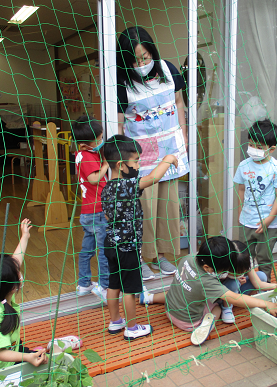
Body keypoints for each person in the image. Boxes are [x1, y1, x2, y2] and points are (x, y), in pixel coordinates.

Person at [116, 26, 190, 281]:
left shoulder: (168, 70)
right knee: (143, 208)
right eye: (136, 59)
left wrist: (184, 134)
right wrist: (121, 158)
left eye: (145, 56)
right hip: (141, 155)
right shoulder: (121, 81)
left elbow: (179, 103)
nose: (142, 62)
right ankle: (141, 257)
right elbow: (117, 122)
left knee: (168, 207)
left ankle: (162, 255)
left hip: (170, 147)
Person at [0, 219, 81, 373]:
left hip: (13, 351)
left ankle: (45, 349)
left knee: (43, 358)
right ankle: (52, 348)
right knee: (56, 367)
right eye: (17, 273)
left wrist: (25, 237)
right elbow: (0, 353)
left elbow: (15, 261)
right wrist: (27, 358)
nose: (19, 271)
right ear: (13, 287)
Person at [101, 135, 178, 340]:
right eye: (135, 161)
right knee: (130, 289)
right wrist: (168, 159)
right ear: (120, 164)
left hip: (111, 244)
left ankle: (116, 321)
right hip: (128, 248)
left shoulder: (106, 187)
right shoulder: (127, 185)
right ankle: (132, 328)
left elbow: (108, 215)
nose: (138, 165)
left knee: (113, 284)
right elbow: (153, 178)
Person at [139, 236, 277, 346]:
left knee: (181, 289)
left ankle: (149, 298)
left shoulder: (187, 258)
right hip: (188, 322)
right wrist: (265, 304)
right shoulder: (207, 282)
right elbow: (235, 298)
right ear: (208, 268)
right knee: (217, 308)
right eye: (222, 268)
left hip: (169, 309)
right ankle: (207, 325)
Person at [233, 119, 277, 283]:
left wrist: (269, 219)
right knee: (244, 256)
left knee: (264, 257)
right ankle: (245, 285)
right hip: (247, 221)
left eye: (259, 147)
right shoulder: (243, 165)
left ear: (271, 149)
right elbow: (241, 190)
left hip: (268, 224)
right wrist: (240, 212)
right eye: (251, 144)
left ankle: (265, 284)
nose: (253, 149)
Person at [72, 115, 109, 303]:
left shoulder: (82, 153)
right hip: (98, 211)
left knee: (87, 249)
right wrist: (106, 164)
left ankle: (84, 283)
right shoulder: (87, 156)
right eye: (100, 139)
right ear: (91, 141)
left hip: (88, 212)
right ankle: (104, 287)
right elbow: (94, 179)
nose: (102, 141)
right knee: (104, 250)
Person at [218, 240, 277, 324]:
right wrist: (234, 281)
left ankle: (259, 299)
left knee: (261, 276)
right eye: (236, 273)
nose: (240, 274)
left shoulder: (245, 261)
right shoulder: (221, 268)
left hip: (238, 291)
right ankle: (226, 308)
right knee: (233, 282)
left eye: (243, 271)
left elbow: (258, 284)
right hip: (222, 296)